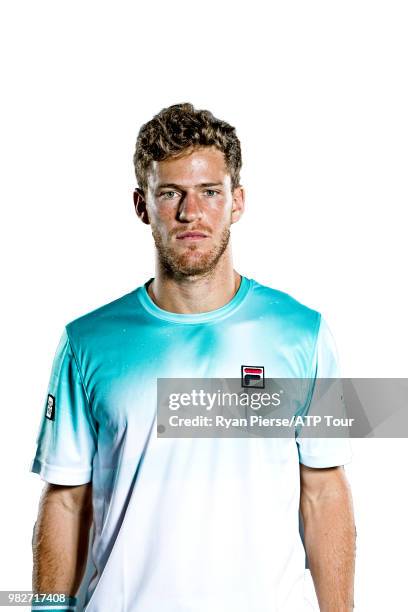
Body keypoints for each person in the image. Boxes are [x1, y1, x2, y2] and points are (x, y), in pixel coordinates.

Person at [30, 103, 356, 612]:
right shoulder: (85, 344)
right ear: (142, 205)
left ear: (237, 202)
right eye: (170, 194)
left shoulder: (305, 334)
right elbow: (66, 498)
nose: (190, 213)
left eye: (209, 192)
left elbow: (323, 490)